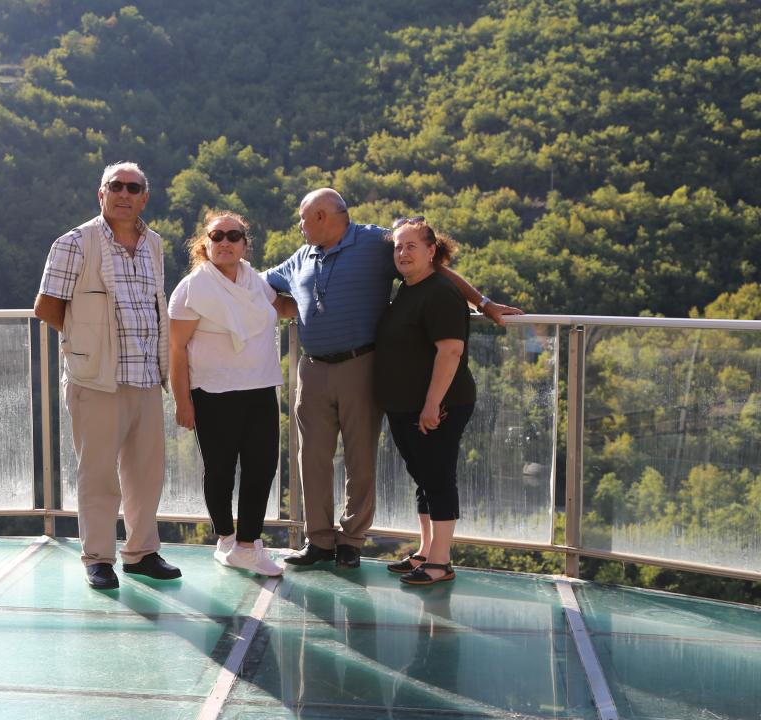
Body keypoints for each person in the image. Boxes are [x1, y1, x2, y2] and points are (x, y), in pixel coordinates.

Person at [264, 189, 519, 570]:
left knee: (360, 457)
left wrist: (483, 303)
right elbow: (260, 287)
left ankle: (351, 541)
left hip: (360, 365)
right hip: (312, 370)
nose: (299, 226)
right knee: (312, 456)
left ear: (321, 217)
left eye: (302, 218)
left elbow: (435, 269)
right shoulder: (301, 257)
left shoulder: (376, 243)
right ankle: (318, 541)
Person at [34, 162, 182, 590]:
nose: (124, 194)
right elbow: (47, 306)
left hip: (146, 376)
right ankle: (98, 558)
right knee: (98, 475)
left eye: (133, 188)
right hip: (97, 378)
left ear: (144, 198)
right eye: (115, 186)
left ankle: (141, 553)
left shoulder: (153, 243)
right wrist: (86, 344)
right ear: (101, 194)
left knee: (146, 474)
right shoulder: (75, 242)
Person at [169, 210, 294, 576]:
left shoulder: (255, 282)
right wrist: (182, 401)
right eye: (217, 236)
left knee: (262, 467)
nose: (225, 242)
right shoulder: (192, 289)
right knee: (220, 470)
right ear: (205, 244)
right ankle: (225, 538)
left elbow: (281, 307)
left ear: (244, 244)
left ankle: (248, 544)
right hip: (213, 393)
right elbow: (176, 349)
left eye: (233, 236)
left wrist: (318, 304)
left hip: (260, 388)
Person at [376, 217, 476, 585]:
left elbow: (450, 351)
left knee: (438, 478)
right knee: (423, 477)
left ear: (431, 251)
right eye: (398, 247)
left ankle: (440, 562)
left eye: (411, 246)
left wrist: (432, 404)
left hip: (438, 405)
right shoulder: (409, 287)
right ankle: (425, 550)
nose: (402, 253)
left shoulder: (440, 292)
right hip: (406, 405)